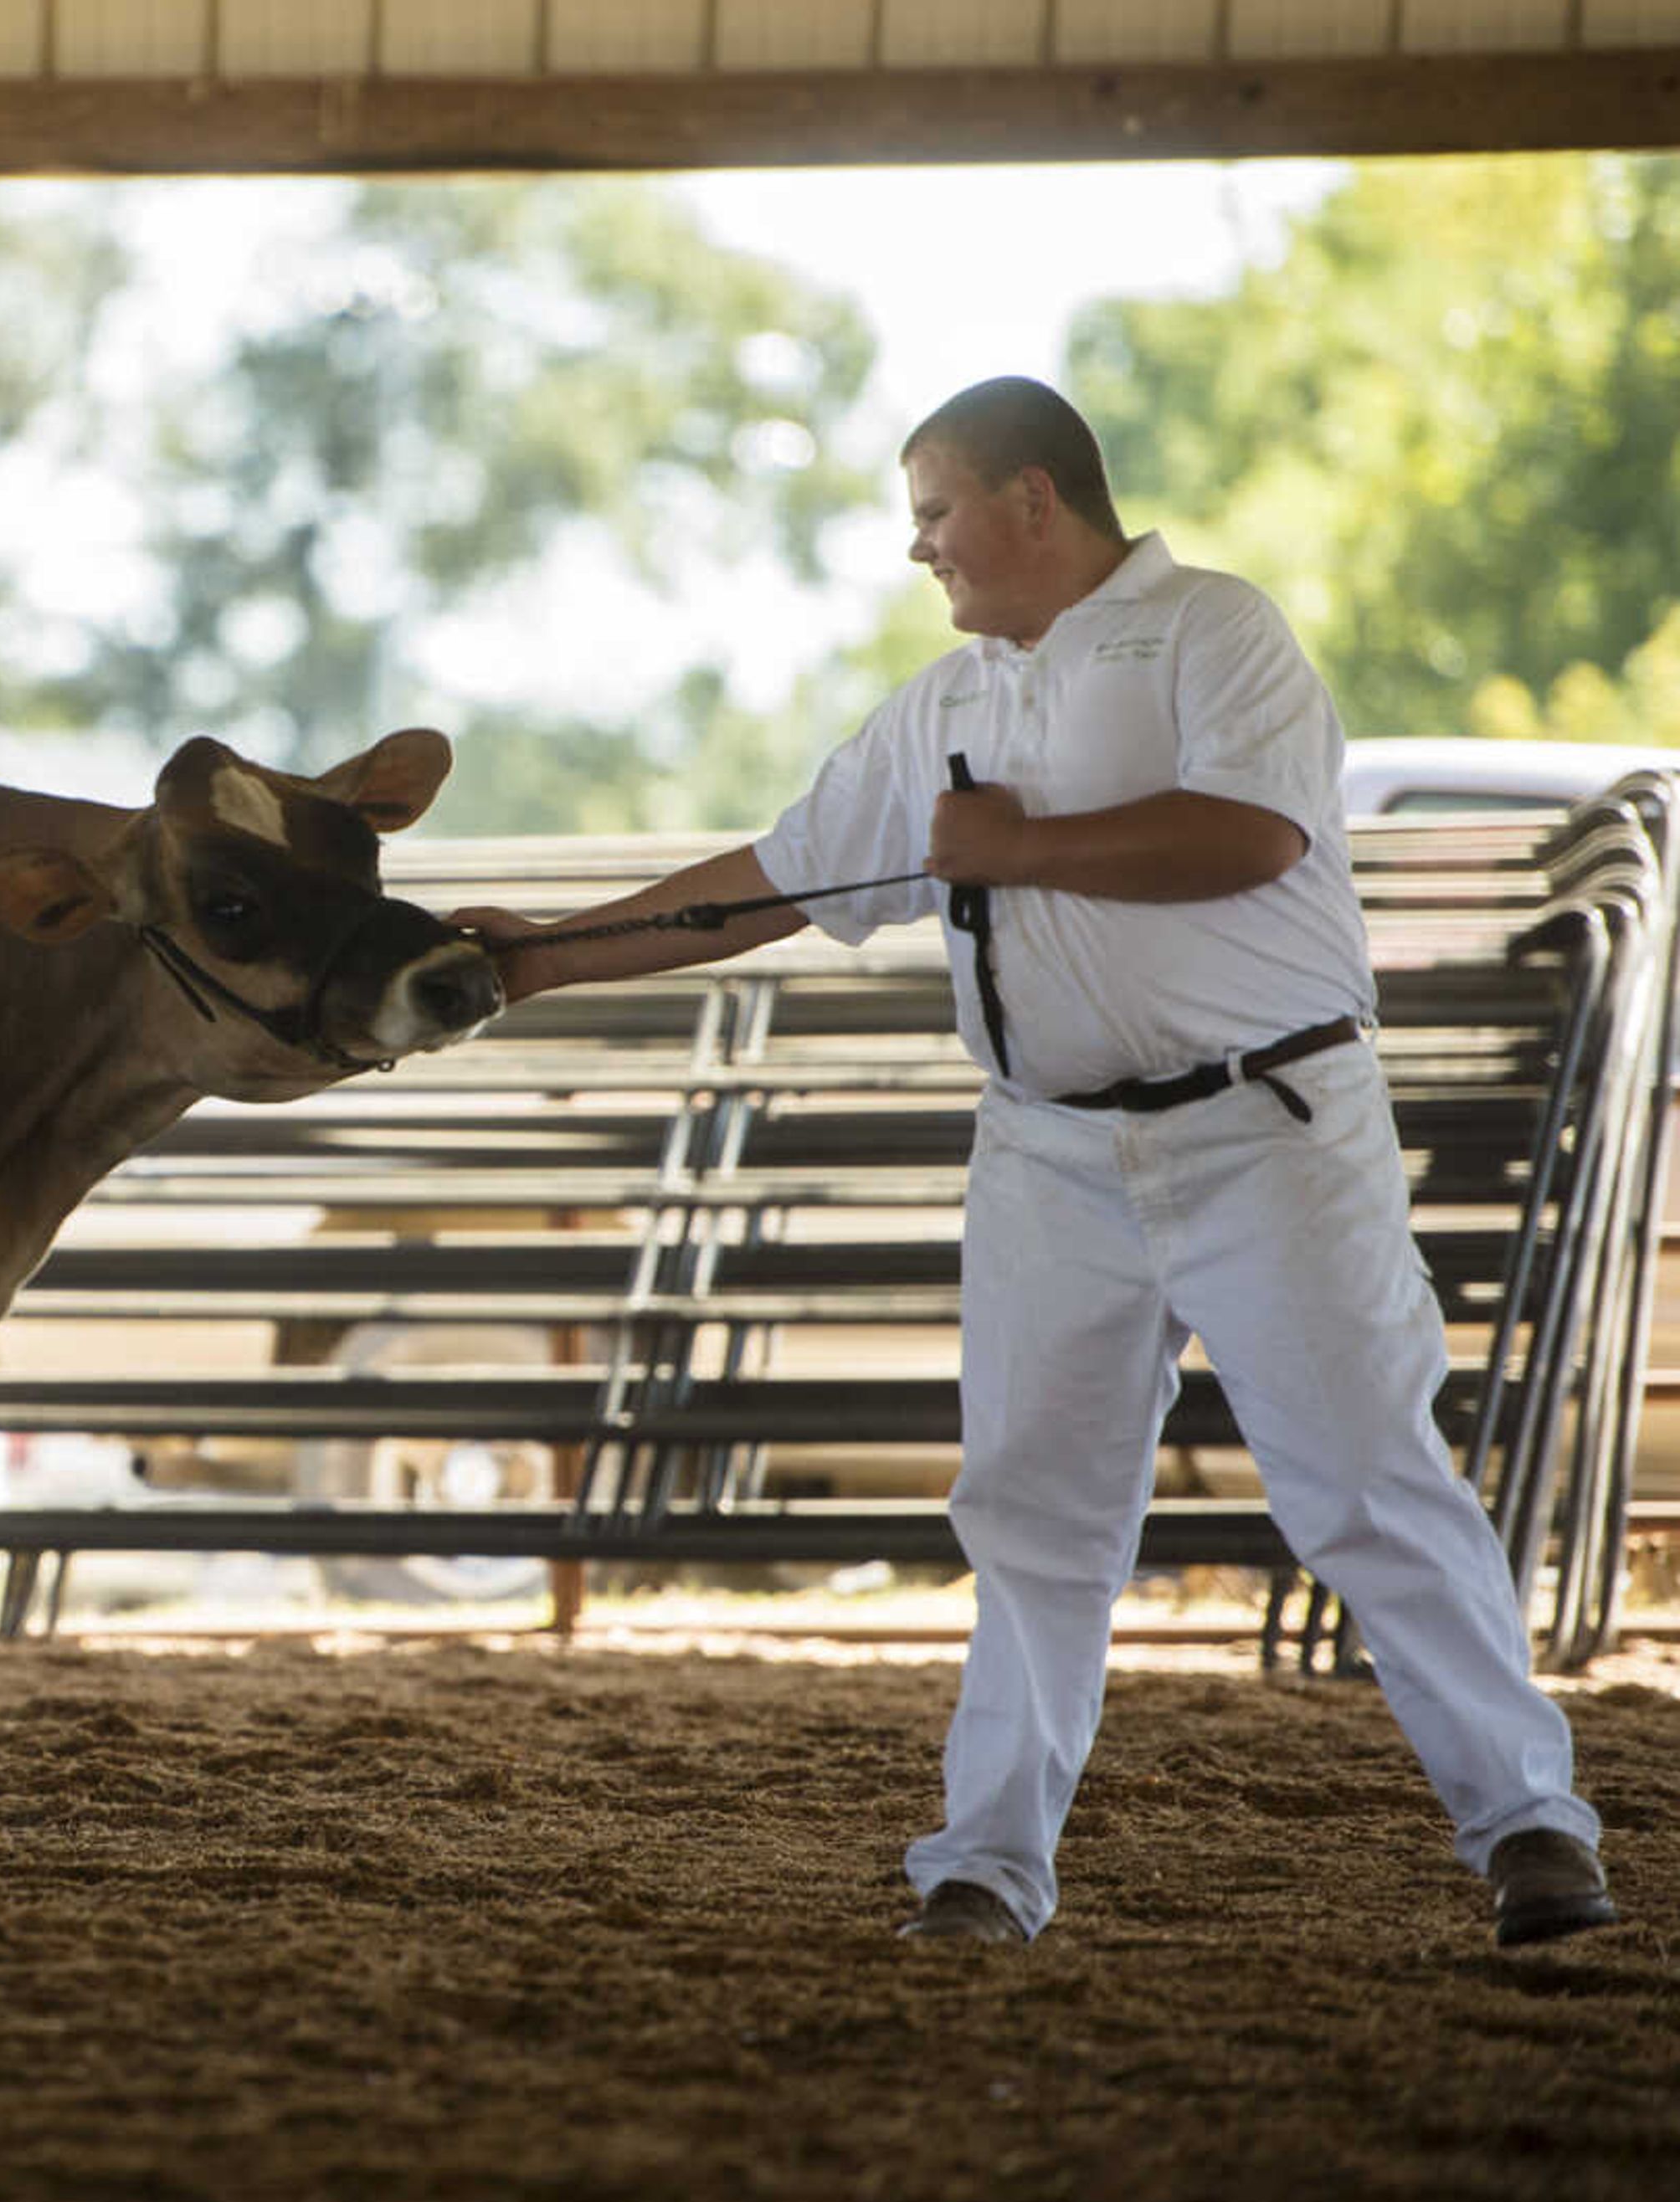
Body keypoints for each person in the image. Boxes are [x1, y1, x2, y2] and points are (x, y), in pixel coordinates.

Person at [454, 376, 1616, 1952]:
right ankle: (986, 1867)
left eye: (934, 512)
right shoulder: (944, 703)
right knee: (1033, 1514)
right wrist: (545, 959)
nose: (918, 548)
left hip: (1268, 1132)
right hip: (1051, 1155)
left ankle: (1532, 1827)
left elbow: (1256, 835)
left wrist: (1020, 852)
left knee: (1364, 1486)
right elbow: (782, 877)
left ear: (1032, 501)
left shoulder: (1216, 628)